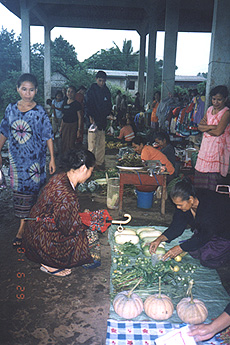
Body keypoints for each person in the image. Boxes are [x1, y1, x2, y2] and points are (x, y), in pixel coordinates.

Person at [22, 149, 98, 277]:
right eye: (91, 170)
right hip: (42, 241)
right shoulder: (67, 196)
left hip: (33, 234)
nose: (91, 174)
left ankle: (45, 258)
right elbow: (68, 229)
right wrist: (87, 223)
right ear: (84, 169)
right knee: (83, 239)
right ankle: (50, 263)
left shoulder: (60, 177)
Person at [0, 73, 56, 247]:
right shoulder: (10, 109)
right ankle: (25, 223)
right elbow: (4, 131)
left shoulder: (40, 112)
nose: (27, 93)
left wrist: (52, 158)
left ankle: (23, 227)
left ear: (36, 91)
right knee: (18, 193)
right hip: (16, 163)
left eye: (31, 90)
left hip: (35, 163)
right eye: (24, 89)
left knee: (32, 193)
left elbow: (48, 135)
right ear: (18, 89)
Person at [149, 178, 230, 268]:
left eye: (180, 205)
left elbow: (205, 234)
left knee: (207, 259)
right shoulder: (186, 204)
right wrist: (160, 239)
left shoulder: (209, 206)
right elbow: (176, 226)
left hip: (225, 232)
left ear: (191, 200)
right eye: (176, 204)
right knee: (194, 250)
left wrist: (180, 248)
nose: (177, 207)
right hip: (208, 229)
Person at [194, 85, 230, 191]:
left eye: (219, 100)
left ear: (225, 99)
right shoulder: (209, 109)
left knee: (213, 181)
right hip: (206, 149)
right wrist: (211, 127)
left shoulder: (226, 113)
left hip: (218, 150)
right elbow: (200, 126)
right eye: (214, 99)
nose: (216, 102)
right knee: (201, 179)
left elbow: (218, 132)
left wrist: (206, 129)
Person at [85, 70, 112, 170]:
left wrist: (110, 114)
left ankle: (99, 163)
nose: (102, 83)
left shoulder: (106, 91)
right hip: (92, 122)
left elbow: (109, 105)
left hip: (102, 122)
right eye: (100, 81)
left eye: (103, 81)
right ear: (96, 79)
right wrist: (90, 117)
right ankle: (90, 165)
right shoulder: (91, 91)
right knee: (92, 145)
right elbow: (87, 105)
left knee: (101, 144)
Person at [60, 85, 82, 154]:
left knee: (71, 143)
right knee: (64, 143)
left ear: (75, 93)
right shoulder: (64, 103)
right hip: (65, 125)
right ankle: (64, 159)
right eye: (68, 91)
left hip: (73, 125)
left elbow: (79, 117)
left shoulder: (77, 104)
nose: (70, 93)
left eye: (72, 92)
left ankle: (71, 159)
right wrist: (61, 127)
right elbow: (63, 116)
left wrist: (79, 129)